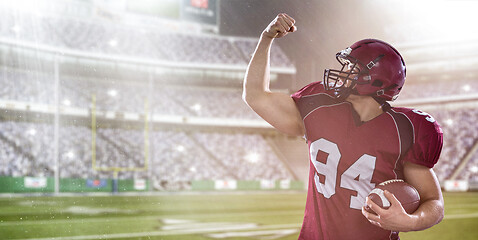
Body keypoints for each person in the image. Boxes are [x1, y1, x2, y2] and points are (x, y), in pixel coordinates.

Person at [242, 13, 444, 240]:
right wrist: (266, 38)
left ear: (377, 80)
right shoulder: (318, 105)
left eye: (351, 67)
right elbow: (256, 96)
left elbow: (433, 201)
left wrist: (411, 221)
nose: (343, 73)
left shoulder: (407, 129)